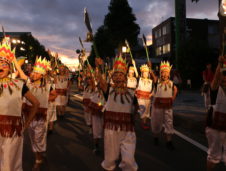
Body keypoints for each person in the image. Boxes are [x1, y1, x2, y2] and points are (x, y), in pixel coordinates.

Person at [0, 41, 39, 171]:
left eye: (4, 64)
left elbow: (36, 104)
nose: (1, 66)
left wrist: (26, 124)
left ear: (10, 67)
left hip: (12, 134)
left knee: (9, 167)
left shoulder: (19, 85)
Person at [15, 57, 57, 169]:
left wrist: (44, 101)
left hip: (40, 117)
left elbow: (54, 94)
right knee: (32, 137)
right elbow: (20, 72)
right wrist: (15, 60)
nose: (33, 74)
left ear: (42, 75)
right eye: (33, 72)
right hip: (29, 116)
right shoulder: (28, 82)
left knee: (39, 137)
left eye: (37, 73)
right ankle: (39, 154)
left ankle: (38, 160)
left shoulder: (48, 85)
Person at [100, 55, 138, 171]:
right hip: (111, 130)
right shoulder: (109, 91)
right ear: (112, 78)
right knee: (110, 159)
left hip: (127, 131)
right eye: (115, 75)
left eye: (121, 75)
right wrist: (100, 67)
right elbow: (101, 82)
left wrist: (133, 118)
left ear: (125, 77)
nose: (118, 77)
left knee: (129, 161)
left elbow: (135, 109)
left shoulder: (132, 93)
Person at [151, 61, 177, 150]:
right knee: (157, 123)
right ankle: (156, 137)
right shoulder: (157, 81)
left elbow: (175, 91)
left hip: (168, 107)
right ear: (160, 73)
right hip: (158, 107)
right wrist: (150, 69)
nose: (164, 74)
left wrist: (172, 98)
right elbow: (153, 77)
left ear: (169, 73)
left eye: (166, 72)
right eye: (163, 72)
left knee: (169, 123)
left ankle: (169, 142)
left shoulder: (172, 83)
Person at [206, 56, 226, 171]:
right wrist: (219, 64)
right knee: (214, 156)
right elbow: (215, 80)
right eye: (224, 75)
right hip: (215, 126)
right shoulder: (216, 87)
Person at [135, 64, 154, 129]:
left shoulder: (151, 81)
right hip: (140, 98)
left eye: (146, 73)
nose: (145, 74)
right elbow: (136, 74)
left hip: (148, 98)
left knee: (147, 112)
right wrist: (134, 64)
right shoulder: (139, 79)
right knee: (142, 109)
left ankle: (144, 123)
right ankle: (143, 123)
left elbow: (155, 88)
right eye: (144, 73)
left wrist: (152, 94)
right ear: (142, 73)